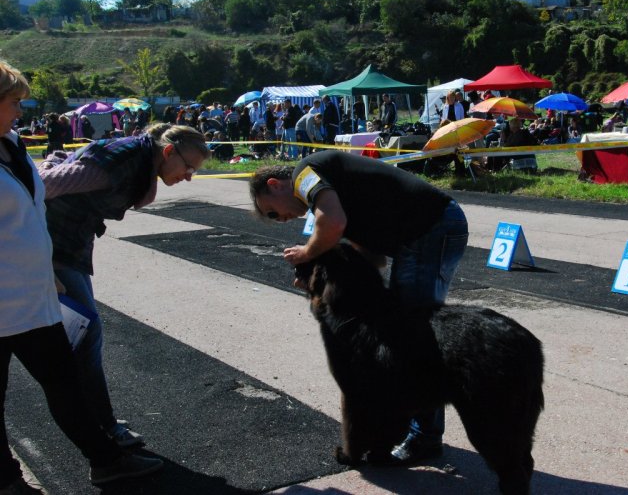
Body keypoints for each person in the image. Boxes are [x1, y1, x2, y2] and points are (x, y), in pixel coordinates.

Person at [0, 59, 163, 492]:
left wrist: (45, 272)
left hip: (31, 294)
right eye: (14, 102)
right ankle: (9, 479)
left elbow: (33, 208)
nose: (21, 111)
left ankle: (106, 459)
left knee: (65, 381)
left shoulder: (11, 145)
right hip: (4, 297)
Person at [249, 150, 468, 465]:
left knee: (411, 336)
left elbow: (333, 224)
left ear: (275, 184)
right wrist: (317, 282)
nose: (281, 220)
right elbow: (373, 260)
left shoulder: (304, 173)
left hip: (431, 228)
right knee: (404, 331)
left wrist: (307, 254)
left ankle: (425, 437)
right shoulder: (339, 192)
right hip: (432, 227)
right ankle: (416, 427)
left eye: (272, 212)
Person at [38, 123, 211, 448]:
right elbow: (43, 185)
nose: (189, 176)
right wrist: (39, 263)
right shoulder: (122, 162)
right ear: (169, 151)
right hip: (52, 246)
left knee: (82, 338)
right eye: (189, 167)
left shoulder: (139, 158)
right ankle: (103, 430)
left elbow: (63, 163)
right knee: (84, 337)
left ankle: (98, 424)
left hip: (69, 245)